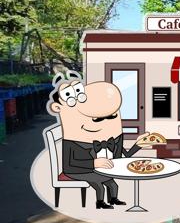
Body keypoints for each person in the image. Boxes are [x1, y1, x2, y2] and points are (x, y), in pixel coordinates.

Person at [46, 70, 151, 209]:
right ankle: (100, 203)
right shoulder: (72, 142)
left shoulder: (112, 139)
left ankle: (113, 199)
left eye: (111, 116)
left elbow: (124, 156)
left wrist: (139, 144)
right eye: (97, 119)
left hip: (99, 167)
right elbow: (70, 164)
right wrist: (94, 163)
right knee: (99, 183)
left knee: (112, 183)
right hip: (77, 170)